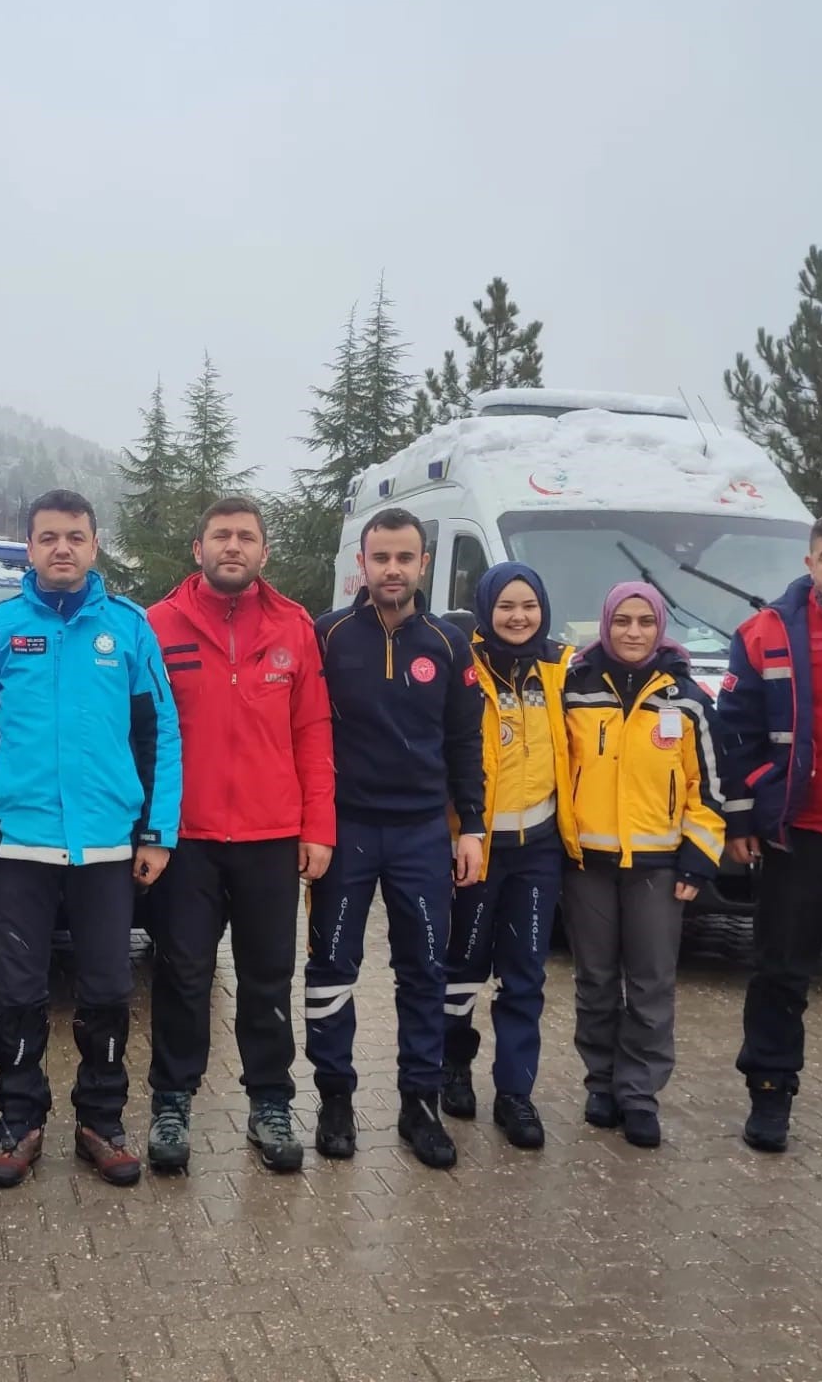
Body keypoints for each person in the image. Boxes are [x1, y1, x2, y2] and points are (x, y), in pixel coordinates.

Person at [0, 488, 181, 1189]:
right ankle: (21, 1120)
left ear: (94, 543)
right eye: (48, 537)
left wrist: (159, 832)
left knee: (107, 990)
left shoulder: (131, 630)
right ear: (30, 546)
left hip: (108, 849)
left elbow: (161, 736)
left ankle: (100, 1122)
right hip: (19, 849)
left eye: (75, 536)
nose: (62, 549)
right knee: (18, 993)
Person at [144, 497, 333, 1173]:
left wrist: (318, 828)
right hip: (184, 839)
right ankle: (171, 1099)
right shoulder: (157, 626)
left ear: (263, 552)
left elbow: (312, 732)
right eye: (220, 535)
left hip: (271, 837)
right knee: (184, 976)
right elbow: (141, 738)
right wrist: (148, 829)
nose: (233, 545)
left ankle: (270, 1103)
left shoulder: (295, 628)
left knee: (266, 978)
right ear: (198, 549)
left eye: (245, 536)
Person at [305, 506, 484, 1170]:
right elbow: (305, 734)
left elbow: (468, 744)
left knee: (424, 970)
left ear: (423, 564)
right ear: (363, 562)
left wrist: (473, 827)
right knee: (331, 970)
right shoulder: (327, 636)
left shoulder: (448, 643)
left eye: (404, 558)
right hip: (346, 831)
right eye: (381, 558)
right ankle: (334, 1100)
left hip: (421, 835)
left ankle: (421, 1103)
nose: (392, 569)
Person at [561, 581, 724, 1148]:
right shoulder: (575, 690)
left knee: (652, 984)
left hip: (658, 867)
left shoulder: (685, 698)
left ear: (660, 627)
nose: (634, 632)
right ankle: (601, 1084)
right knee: (596, 982)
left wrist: (698, 860)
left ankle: (640, 1094)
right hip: (589, 865)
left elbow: (710, 788)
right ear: (606, 624)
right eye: (623, 621)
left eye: (646, 622)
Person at [440, 563, 576, 1150]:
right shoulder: (461, 665)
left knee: (524, 975)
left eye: (529, 606)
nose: (518, 617)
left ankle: (515, 1092)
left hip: (539, 848)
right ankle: (451, 1066)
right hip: (476, 845)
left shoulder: (566, 669)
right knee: (463, 968)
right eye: (505, 607)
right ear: (486, 608)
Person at [719, 507, 822, 1153]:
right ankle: (770, 1096)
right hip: (804, 836)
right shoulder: (765, 632)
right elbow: (733, 730)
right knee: (781, 975)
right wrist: (744, 814)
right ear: (810, 563)